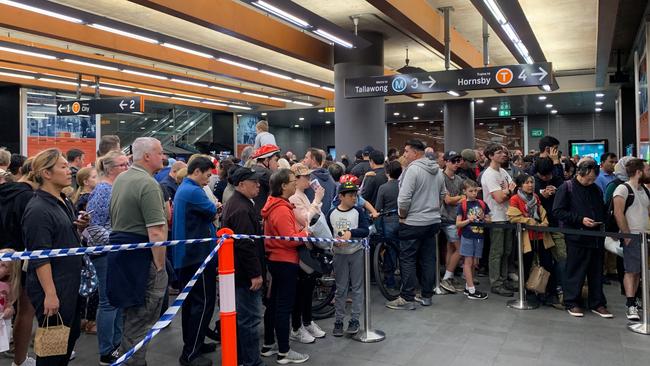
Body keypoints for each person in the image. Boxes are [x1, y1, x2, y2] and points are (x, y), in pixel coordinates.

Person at [107, 137, 169, 366]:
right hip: (142, 261)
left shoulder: (121, 178)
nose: (163, 157)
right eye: (160, 152)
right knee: (141, 321)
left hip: (122, 258)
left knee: (130, 318)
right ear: (147, 156)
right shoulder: (149, 184)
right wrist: (160, 267)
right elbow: (156, 232)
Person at [22, 148, 86, 365]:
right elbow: (40, 256)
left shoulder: (63, 200)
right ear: (46, 173)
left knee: (69, 338)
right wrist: (50, 294)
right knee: (52, 349)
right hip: (53, 287)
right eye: (63, 166)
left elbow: (60, 241)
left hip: (69, 284)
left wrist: (78, 227)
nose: (70, 171)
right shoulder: (38, 209)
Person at [386, 139, 446, 310]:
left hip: (413, 222)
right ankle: (426, 295)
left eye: (406, 151)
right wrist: (433, 211)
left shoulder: (412, 170)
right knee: (428, 259)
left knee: (408, 259)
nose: (404, 155)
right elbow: (442, 195)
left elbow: (404, 198)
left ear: (416, 153)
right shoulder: (438, 171)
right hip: (433, 221)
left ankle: (407, 298)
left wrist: (402, 215)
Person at [172, 156, 218, 366]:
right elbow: (211, 210)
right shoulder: (193, 191)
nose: (209, 179)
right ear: (197, 171)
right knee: (203, 303)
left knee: (191, 304)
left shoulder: (184, 188)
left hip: (188, 255)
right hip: (197, 256)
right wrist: (215, 206)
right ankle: (191, 353)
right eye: (207, 175)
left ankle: (193, 344)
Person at [260, 169, 309, 364]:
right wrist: (306, 234)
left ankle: (269, 344)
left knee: (274, 304)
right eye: (292, 181)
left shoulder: (276, 206)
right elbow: (289, 240)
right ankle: (284, 351)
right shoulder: (280, 209)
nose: (295, 183)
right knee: (283, 306)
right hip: (284, 261)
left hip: (277, 260)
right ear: (283, 186)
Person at [553, 160, 612, 318]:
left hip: (596, 237)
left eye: (593, 179)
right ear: (580, 173)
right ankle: (572, 301)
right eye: (589, 178)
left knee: (596, 271)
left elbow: (601, 208)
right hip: (576, 236)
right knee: (575, 270)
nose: (591, 181)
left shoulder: (596, 189)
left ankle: (598, 303)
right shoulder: (566, 187)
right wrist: (580, 219)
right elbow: (558, 211)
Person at [86, 151, 129, 365]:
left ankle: (116, 344)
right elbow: (93, 225)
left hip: (114, 251)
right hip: (105, 253)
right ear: (110, 168)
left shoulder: (113, 188)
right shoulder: (103, 190)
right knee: (108, 302)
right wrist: (114, 241)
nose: (126, 168)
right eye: (122, 165)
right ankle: (106, 350)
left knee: (117, 301)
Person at [220, 166, 266, 366]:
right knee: (250, 319)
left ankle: (242, 357)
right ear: (240, 184)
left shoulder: (239, 203)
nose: (258, 185)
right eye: (253, 182)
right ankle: (251, 361)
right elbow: (246, 245)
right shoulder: (241, 208)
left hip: (238, 272)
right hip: (244, 275)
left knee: (244, 318)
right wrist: (255, 274)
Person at [0, 158, 37, 366]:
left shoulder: (10, 192)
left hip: (8, 258)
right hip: (20, 259)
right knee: (25, 310)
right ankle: (20, 360)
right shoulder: (30, 197)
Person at [507, 173, 559, 306]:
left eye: (531, 182)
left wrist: (544, 222)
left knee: (547, 263)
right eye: (526, 183)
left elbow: (542, 212)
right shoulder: (515, 199)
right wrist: (529, 220)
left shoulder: (536, 197)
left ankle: (548, 292)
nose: (530, 185)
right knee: (526, 264)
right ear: (520, 185)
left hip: (541, 234)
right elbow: (513, 217)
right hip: (526, 236)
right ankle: (527, 292)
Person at [288, 163, 326, 344]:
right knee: (301, 289)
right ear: (296, 179)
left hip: (309, 245)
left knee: (308, 287)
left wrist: (316, 202)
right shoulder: (294, 198)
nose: (309, 180)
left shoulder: (302, 195)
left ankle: (306, 321)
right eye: (305, 177)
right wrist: (317, 201)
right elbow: (305, 220)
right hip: (300, 247)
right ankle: (297, 326)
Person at [327, 181, 370, 336]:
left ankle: (355, 319)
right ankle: (338, 320)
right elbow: (327, 231)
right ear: (341, 196)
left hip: (356, 252)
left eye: (355, 195)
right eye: (351, 195)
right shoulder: (332, 213)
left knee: (357, 287)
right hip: (339, 255)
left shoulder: (358, 211)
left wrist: (351, 233)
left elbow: (365, 230)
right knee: (341, 288)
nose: (354, 198)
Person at [612, 158, 650, 321]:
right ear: (639, 172)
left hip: (645, 235)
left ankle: (635, 299)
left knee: (639, 271)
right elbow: (618, 213)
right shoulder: (623, 189)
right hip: (632, 236)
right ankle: (630, 303)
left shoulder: (644, 190)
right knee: (631, 270)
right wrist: (626, 235)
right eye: (647, 170)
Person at [481, 143, 517, 297]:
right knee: (497, 252)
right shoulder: (489, 174)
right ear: (490, 156)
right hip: (495, 217)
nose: (504, 154)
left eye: (504, 152)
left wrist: (508, 191)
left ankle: (503, 279)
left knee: (507, 251)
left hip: (507, 216)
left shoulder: (503, 171)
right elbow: (499, 198)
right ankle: (496, 282)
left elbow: (514, 188)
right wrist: (508, 190)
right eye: (499, 152)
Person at [455, 179, 490, 300]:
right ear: (464, 191)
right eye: (471, 191)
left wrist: (484, 219)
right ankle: (471, 289)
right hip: (468, 236)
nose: (474, 193)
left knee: (475, 263)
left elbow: (489, 219)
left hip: (479, 236)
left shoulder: (482, 203)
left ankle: (468, 286)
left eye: (475, 190)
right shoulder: (462, 205)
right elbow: (458, 223)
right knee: (468, 262)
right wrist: (469, 220)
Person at [439, 151, 466, 294]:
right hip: (446, 218)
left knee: (451, 248)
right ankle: (447, 276)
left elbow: (465, 195)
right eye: (453, 161)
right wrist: (461, 197)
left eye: (457, 161)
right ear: (445, 162)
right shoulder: (441, 178)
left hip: (455, 218)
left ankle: (448, 277)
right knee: (460, 249)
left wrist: (459, 198)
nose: (456, 163)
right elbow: (447, 200)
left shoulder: (458, 180)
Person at [375, 161, 402, 288]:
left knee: (390, 251)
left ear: (387, 173)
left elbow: (378, 207)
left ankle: (390, 281)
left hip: (388, 221)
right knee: (404, 251)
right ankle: (405, 280)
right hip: (403, 220)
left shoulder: (383, 188)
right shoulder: (403, 186)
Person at [303, 148, 336, 215]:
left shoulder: (307, 179)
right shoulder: (331, 179)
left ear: (313, 160)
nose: (304, 160)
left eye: (306, 158)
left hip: (312, 219)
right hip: (326, 220)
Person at [251, 144, 281, 213]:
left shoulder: (252, 169)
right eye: (276, 160)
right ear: (266, 160)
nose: (278, 165)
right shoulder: (269, 175)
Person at [0, 248, 20, 353]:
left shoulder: (9, 286)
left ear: (10, 271)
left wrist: (9, 309)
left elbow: (10, 304)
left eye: (3, 265)